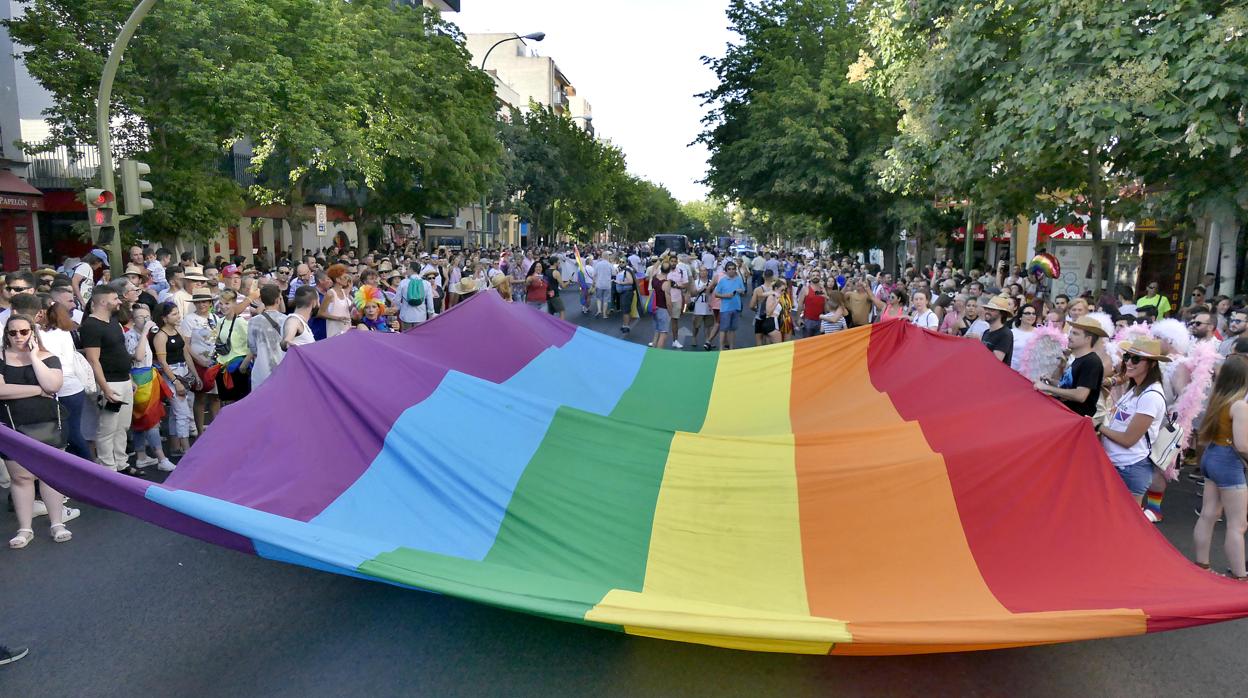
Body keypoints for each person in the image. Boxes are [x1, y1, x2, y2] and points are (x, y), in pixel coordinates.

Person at [1, 313, 71, 547]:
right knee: (21, 478)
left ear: (33, 332)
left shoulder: (47, 357)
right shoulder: (1, 359)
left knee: (50, 476)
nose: (18, 337)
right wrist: (36, 390)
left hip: (48, 425)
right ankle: (24, 528)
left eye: (24, 331)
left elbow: (52, 385)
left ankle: (57, 523)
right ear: (6, 335)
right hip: (13, 428)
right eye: (13, 332)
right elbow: (1, 391)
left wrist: (33, 356)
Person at [1192, 354, 1248, 580]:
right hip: (1228, 462)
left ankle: (1201, 565)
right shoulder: (1240, 405)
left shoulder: (1218, 398)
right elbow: (1242, 445)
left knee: (1208, 514)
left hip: (1212, 455)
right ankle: (1240, 574)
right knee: (1238, 524)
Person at [1097, 338, 1170, 506]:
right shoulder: (1136, 388)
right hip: (1118, 465)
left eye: (1136, 359)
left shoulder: (1150, 396)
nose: (1129, 362)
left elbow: (1128, 440)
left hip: (1129, 469)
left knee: (1124, 527)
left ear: (1152, 365)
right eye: (1127, 357)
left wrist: (1099, 426)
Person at [79, 286, 133, 472]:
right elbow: (93, 360)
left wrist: (130, 378)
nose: (119, 301)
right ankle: (108, 469)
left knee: (122, 426)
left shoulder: (113, 320)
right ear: (103, 302)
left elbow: (121, 351)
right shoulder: (91, 326)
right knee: (107, 428)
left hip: (124, 379)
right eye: (115, 298)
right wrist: (106, 389)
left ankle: (121, 463)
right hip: (109, 382)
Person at [1034, 316, 1106, 417]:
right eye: (1070, 332)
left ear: (1088, 339)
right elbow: (1069, 387)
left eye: (1075, 334)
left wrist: (1047, 388)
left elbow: (1080, 395)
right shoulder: (1079, 359)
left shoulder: (1091, 362)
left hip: (1075, 420)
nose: (1069, 336)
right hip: (1065, 415)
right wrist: (1052, 381)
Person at [153, 302, 195, 457]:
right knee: (182, 411)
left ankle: (174, 446)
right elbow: (163, 362)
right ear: (164, 318)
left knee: (176, 412)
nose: (178, 316)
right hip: (172, 373)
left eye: (178, 313)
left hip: (183, 370)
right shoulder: (160, 336)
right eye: (174, 314)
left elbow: (185, 353)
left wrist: (194, 374)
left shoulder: (178, 330)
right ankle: (186, 447)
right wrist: (175, 381)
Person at [247, 285, 288, 389]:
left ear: (262, 300)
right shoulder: (286, 320)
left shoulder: (253, 321)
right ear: (278, 300)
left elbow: (252, 347)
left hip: (261, 369)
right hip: (283, 367)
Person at [714, 261, 747, 350]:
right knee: (723, 329)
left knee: (732, 329)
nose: (731, 271)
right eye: (729, 269)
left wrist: (741, 291)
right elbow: (716, 294)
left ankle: (731, 348)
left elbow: (743, 291)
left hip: (736, 307)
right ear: (726, 270)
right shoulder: (723, 280)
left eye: (733, 269)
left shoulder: (739, 279)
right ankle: (721, 348)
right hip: (725, 308)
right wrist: (726, 296)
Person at [980, 295, 1015, 364]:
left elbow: (996, 360)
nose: (987, 311)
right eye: (986, 309)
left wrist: (979, 343)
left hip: (997, 374)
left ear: (1002, 313)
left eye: (992, 310)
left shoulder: (1006, 334)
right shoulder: (986, 332)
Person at [283, 286, 319, 353]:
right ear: (314, 302)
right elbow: (287, 340)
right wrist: (286, 342)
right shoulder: (294, 321)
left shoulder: (300, 321)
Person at [1010, 303, 1039, 372]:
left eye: (1033, 313)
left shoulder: (1040, 333)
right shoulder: (1012, 333)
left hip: (1032, 373)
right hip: (1012, 371)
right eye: (1028, 313)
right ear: (1020, 316)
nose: (1031, 316)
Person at [592, 253, 614, 319]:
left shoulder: (598, 264)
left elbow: (594, 274)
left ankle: (599, 310)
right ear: (607, 257)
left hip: (599, 284)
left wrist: (594, 282)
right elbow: (614, 273)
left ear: (602, 257)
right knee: (606, 300)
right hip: (607, 284)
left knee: (599, 298)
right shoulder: (610, 264)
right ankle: (604, 315)